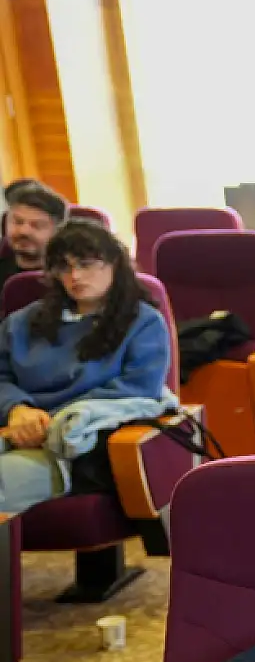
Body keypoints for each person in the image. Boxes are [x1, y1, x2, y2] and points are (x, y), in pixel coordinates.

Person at [0, 220, 171, 515]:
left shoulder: (142, 321)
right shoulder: (22, 322)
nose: (75, 276)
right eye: (64, 267)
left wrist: (47, 422)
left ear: (114, 264)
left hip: (77, 447)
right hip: (14, 429)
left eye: (86, 264)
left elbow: (140, 389)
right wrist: (18, 409)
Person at [0, 181, 68, 293]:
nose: (24, 231)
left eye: (37, 225)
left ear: (58, 232)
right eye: (18, 222)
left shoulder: (70, 277)